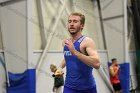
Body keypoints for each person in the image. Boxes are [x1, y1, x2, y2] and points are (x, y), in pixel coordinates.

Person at [55, 12, 101, 93]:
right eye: (70, 21)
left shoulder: (87, 41)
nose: (71, 24)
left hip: (87, 89)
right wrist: (60, 67)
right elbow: (68, 58)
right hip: (69, 88)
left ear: (82, 25)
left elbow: (97, 64)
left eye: (75, 21)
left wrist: (75, 52)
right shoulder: (66, 42)